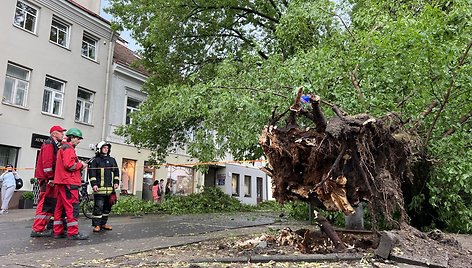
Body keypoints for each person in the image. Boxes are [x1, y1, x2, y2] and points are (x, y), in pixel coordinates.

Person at [30, 125, 66, 237]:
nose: (63, 134)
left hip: (48, 179)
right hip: (47, 179)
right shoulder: (49, 144)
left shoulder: (52, 144)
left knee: (48, 203)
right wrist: (50, 177)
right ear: (54, 133)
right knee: (44, 203)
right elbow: (47, 164)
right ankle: (37, 229)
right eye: (61, 132)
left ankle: (40, 228)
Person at [53, 128, 89, 240]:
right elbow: (69, 165)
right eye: (78, 139)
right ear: (72, 137)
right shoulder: (68, 149)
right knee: (72, 207)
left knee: (59, 207)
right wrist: (81, 165)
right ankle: (73, 232)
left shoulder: (62, 148)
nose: (79, 141)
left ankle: (58, 231)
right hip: (69, 182)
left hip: (62, 182)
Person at [88, 141, 119, 232]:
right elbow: (92, 174)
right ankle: (96, 225)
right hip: (99, 190)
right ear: (100, 149)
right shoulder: (95, 161)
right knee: (98, 207)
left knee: (107, 208)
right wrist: (94, 185)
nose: (106, 149)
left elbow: (116, 172)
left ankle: (103, 223)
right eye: (104, 147)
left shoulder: (112, 160)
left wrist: (116, 182)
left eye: (107, 148)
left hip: (110, 189)